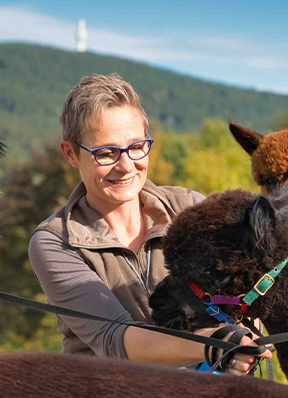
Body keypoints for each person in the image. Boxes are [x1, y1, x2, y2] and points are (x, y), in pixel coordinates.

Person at [29, 74, 269, 375]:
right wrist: (216, 344)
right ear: (70, 154)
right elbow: (114, 340)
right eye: (106, 153)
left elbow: (251, 296)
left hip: (213, 396)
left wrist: (244, 339)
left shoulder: (192, 208)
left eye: (137, 146)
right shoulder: (56, 243)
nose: (126, 165)